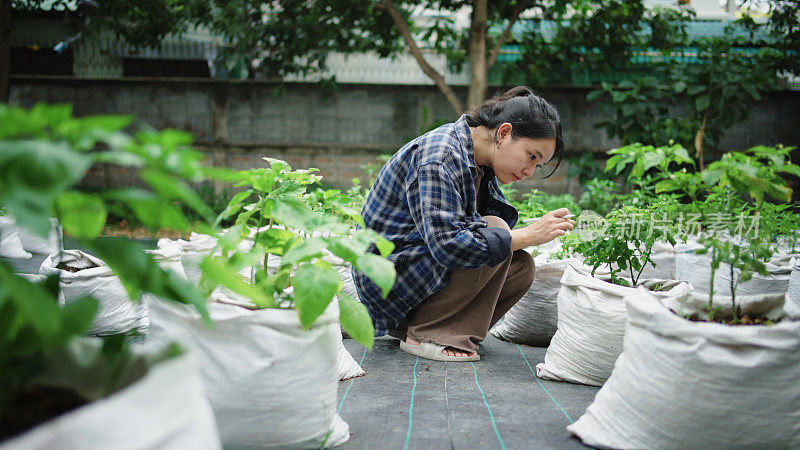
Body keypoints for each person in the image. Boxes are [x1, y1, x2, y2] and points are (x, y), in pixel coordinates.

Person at [352, 86, 575, 362]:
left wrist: (516, 238)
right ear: (504, 134)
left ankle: (441, 329)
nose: (529, 172)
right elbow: (449, 246)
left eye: (537, 165)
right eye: (531, 156)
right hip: (389, 285)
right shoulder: (440, 157)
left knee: (521, 268)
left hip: (418, 279)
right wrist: (528, 235)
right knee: (497, 233)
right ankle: (426, 336)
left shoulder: (478, 160)